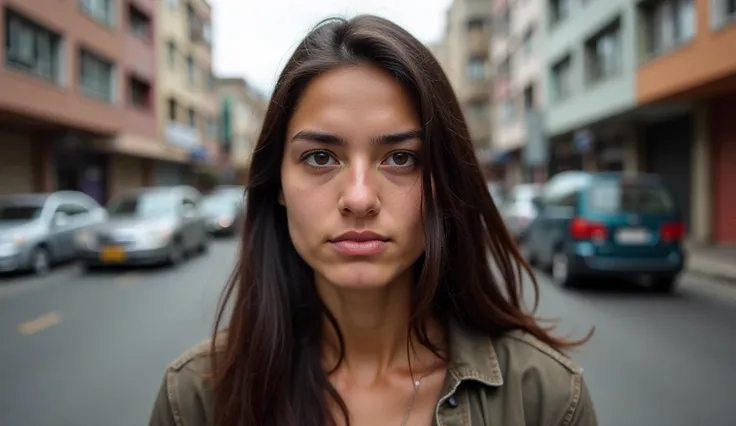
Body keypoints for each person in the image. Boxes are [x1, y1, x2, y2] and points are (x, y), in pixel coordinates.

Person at [149, 14, 597, 426]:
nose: (359, 198)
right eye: (320, 157)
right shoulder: (195, 400)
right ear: (278, 184)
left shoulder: (546, 398)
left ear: (444, 181)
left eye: (401, 158)